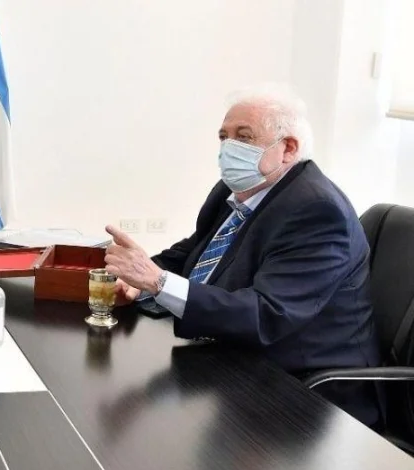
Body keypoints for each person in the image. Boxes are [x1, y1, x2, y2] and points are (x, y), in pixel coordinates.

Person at [103, 85, 380, 426]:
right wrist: (137, 281)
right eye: (224, 137)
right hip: (233, 360)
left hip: (308, 397)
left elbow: (267, 314)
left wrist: (158, 282)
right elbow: (191, 253)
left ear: (288, 148)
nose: (228, 148)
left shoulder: (318, 210)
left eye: (243, 137)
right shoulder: (238, 189)